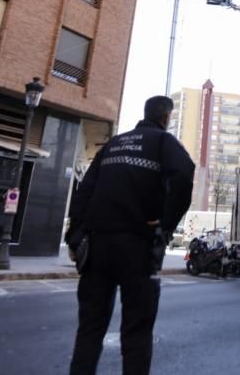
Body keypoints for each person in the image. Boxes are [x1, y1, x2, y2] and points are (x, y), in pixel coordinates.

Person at [67, 96, 195, 375]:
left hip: (97, 246)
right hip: (138, 246)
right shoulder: (163, 142)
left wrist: (74, 236)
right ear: (166, 118)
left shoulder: (113, 144)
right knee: (136, 333)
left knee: (89, 329)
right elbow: (185, 175)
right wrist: (166, 222)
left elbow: (85, 190)